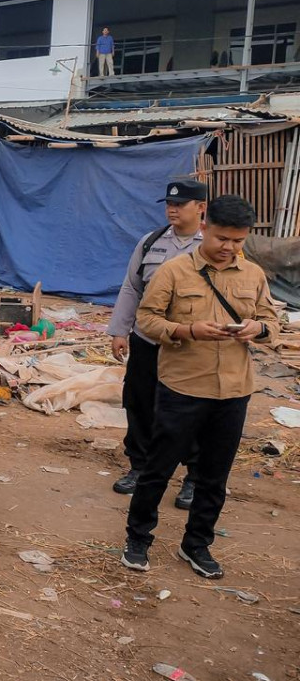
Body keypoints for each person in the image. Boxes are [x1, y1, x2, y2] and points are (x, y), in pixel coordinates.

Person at [123, 195, 279, 580]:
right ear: (205, 227)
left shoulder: (253, 275)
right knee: (158, 469)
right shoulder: (174, 272)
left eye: (238, 241)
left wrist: (257, 328)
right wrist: (187, 330)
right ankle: (138, 538)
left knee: (214, 477)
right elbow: (147, 319)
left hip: (233, 392)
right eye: (222, 238)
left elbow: (271, 322)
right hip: (183, 387)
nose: (229, 247)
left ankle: (197, 544)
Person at [108, 180, 207, 506]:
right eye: (169, 204)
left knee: (190, 410)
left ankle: (194, 477)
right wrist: (119, 330)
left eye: (180, 204)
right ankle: (140, 467)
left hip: (190, 346)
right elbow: (131, 287)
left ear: (201, 207)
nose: (172, 209)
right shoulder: (151, 242)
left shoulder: (211, 245)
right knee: (139, 403)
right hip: (147, 340)